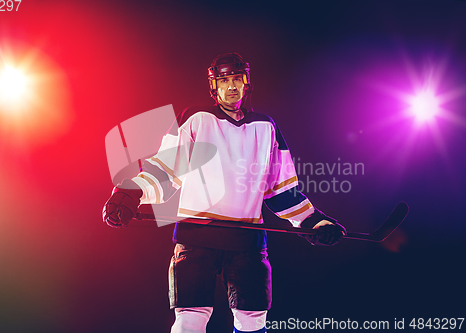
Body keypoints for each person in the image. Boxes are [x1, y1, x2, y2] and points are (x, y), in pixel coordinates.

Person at [103, 53, 345, 333]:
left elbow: (281, 191)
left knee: (252, 320)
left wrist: (315, 222)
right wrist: (130, 194)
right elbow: (165, 172)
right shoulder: (195, 119)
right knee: (189, 320)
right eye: (224, 80)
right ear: (214, 87)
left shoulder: (266, 127)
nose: (231, 86)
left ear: (246, 84)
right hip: (197, 237)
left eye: (237, 80)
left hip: (247, 240)